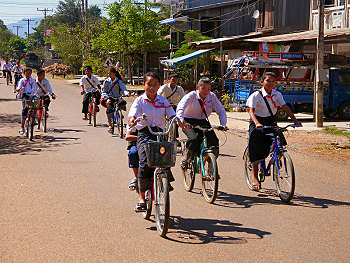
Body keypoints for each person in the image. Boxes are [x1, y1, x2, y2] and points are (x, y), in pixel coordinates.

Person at [128, 72, 175, 212]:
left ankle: (164, 181)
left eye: (155, 84)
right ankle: (141, 197)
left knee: (165, 158)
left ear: (159, 86)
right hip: (144, 133)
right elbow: (133, 114)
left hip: (160, 133)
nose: (152, 87)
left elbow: (171, 113)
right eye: (149, 84)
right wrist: (132, 120)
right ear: (144, 85)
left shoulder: (162, 100)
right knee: (144, 161)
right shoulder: (139, 101)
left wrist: (177, 119)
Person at [246, 72, 302, 191]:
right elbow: (250, 110)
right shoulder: (256, 95)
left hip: (270, 120)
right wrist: (256, 123)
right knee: (256, 147)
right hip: (257, 120)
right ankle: (255, 178)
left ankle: (278, 156)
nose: (270, 83)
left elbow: (285, 107)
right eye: (268, 81)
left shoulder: (277, 94)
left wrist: (295, 120)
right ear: (262, 82)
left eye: (273, 81)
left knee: (279, 139)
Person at [176, 77, 228, 169]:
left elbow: (221, 110)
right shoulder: (191, 96)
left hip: (203, 120)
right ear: (198, 87)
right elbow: (180, 107)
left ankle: (211, 167)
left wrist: (223, 124)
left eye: (208, 89)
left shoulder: (212, 96)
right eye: (203, 88)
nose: (206, 91)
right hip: (188, 120)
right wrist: (181, 120)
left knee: (214, 141)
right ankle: (186, 158)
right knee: (193, 138)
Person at [157, 73, 185, 140]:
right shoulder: (164, 87)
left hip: (175, 105)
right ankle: (162, 135)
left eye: (176, 80)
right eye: (172, 79)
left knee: (177, 120)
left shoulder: (179, 88)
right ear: (169, 80)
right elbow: (158, 94)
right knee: (161, 119)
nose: (174, 81)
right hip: (165, 105)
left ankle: (174, 136)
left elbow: (183, 98)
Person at [101, 67, 129, 133]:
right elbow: (103, 91)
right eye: (108, 73)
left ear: (114, 74)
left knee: (122, 103)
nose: (109, 75)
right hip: (109, 97)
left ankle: (119, 114)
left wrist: (126, 93)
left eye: (110, 73)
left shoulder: (118, 81)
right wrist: (107, 98)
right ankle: (110, 125)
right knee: (109, 110)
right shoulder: (106, 81)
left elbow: (123, 88)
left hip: (118, 97)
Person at [16, 68, 36, 135]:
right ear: (24, 73)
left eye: (29, 73)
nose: (28, 74)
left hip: (31, 95)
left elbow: (34, 88)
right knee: (24, 109)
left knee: (35, 106)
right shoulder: (22, 80)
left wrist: (33, 94)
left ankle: (33, 119)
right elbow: (19, 86)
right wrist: (18, 89)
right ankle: (22, 127)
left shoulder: (33, 81)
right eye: (27, 73)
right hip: (24, 95)